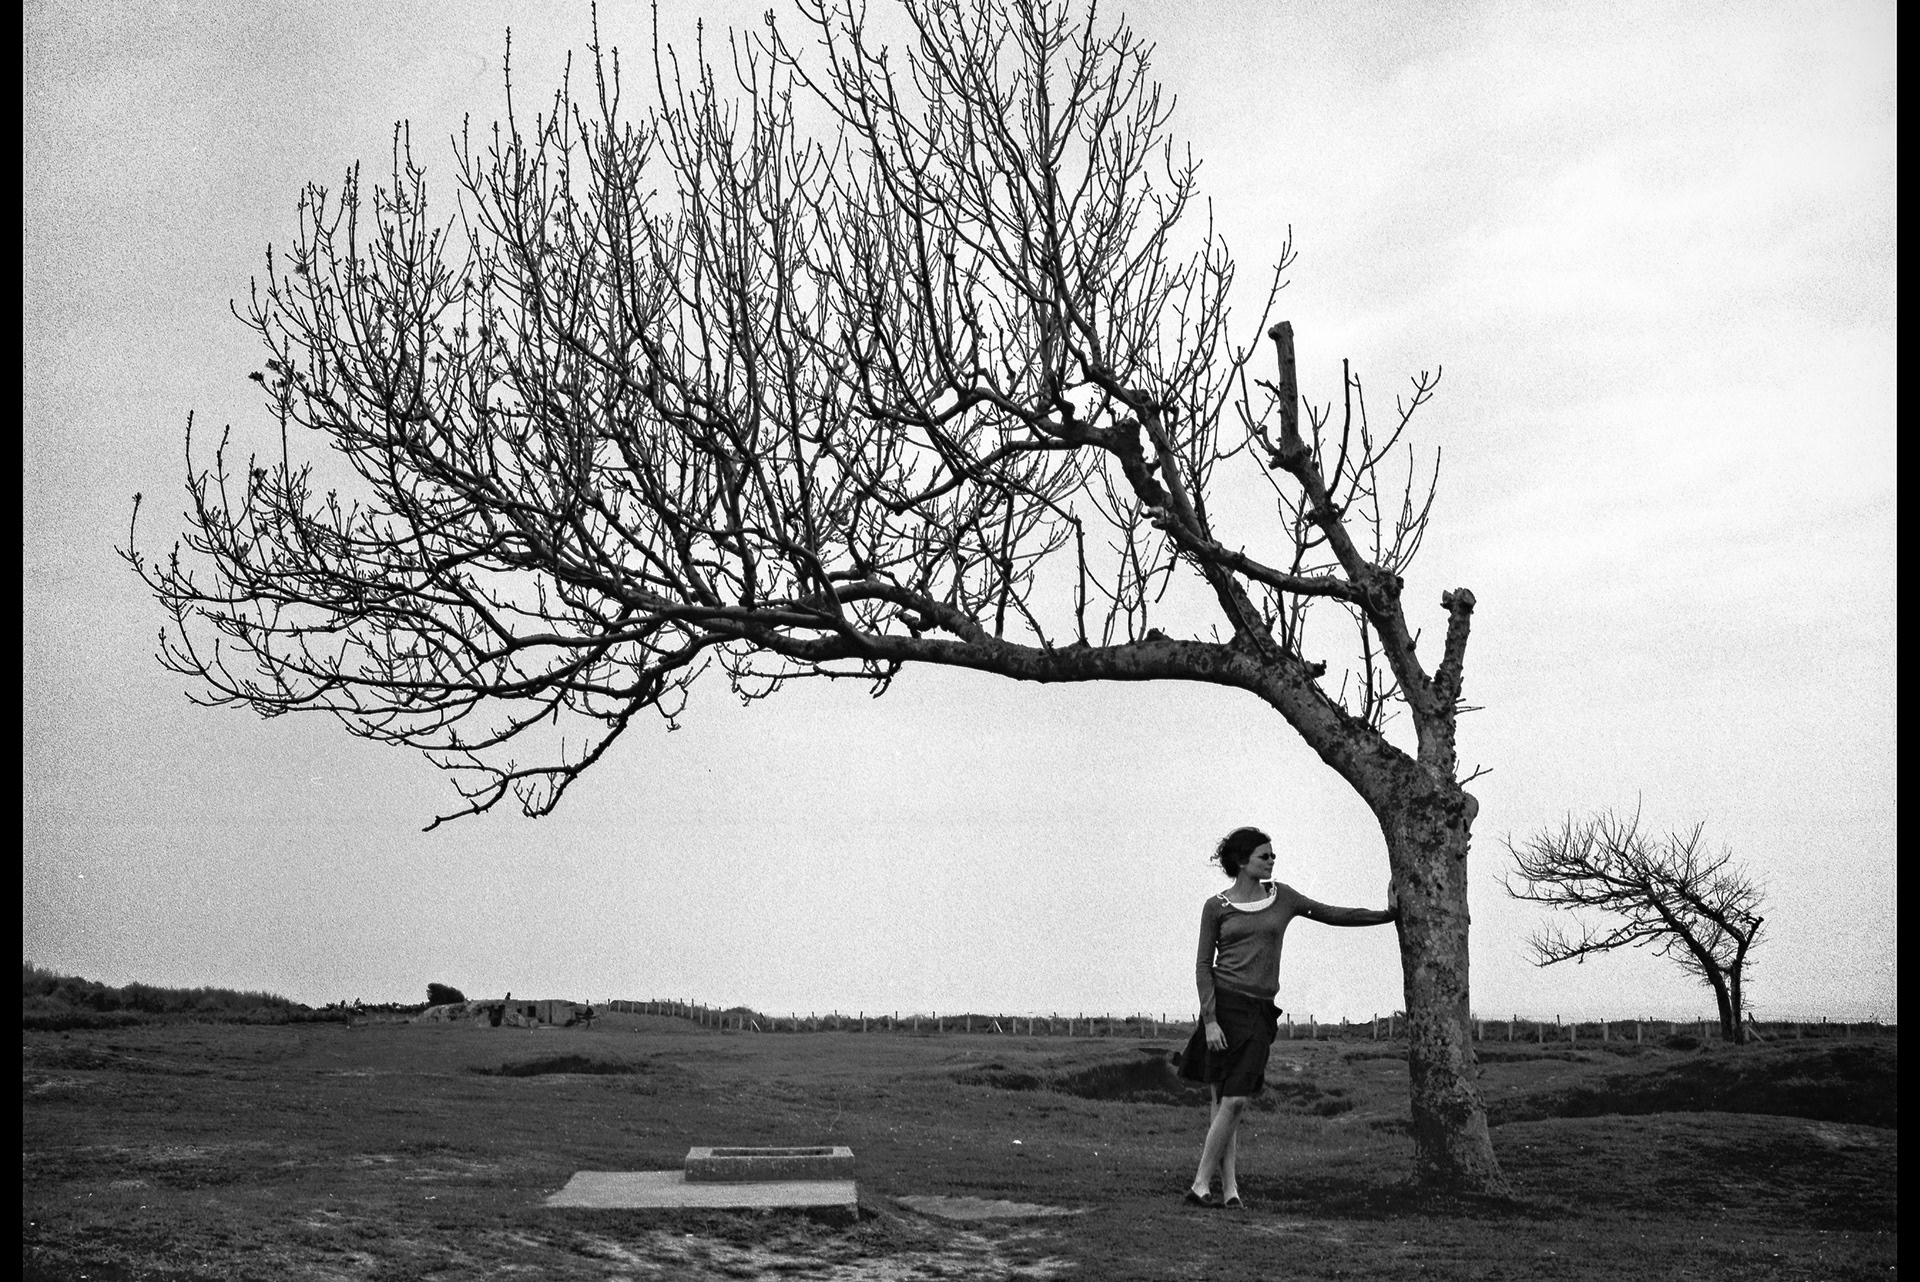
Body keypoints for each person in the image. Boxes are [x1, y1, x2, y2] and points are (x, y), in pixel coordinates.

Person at [1178, 826, 1397, 1209]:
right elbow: (1202, 966)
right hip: (1223, 1009)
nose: (1272, 860)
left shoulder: (1283, 897)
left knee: (1234, 1101)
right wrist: (1209, 1020)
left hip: (1259, 1012)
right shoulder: (1216, 907)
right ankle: (1225, 1189)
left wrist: (1387, 915)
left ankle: (1203, 1184)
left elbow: (1332, 914)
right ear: (1242, 862)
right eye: (1264, 856)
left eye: (1273, 855)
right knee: (1224, 1102)